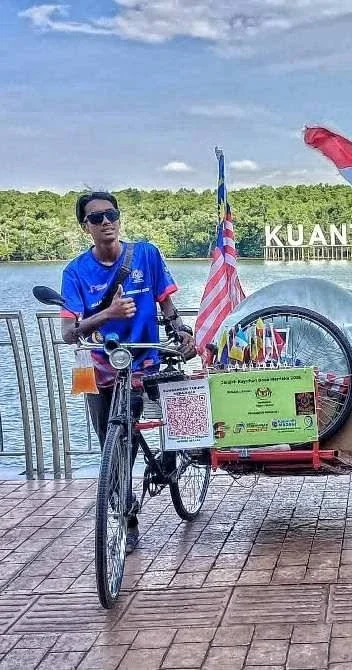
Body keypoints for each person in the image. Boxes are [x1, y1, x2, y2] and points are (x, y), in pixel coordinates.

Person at [60, 191, 195, 554]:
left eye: (111, 214)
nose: (106, 222)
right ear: (85, 226)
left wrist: (181, 331)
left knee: (161, 421)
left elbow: (167, 305)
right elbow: (69, 332)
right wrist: (109, 314)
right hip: (100, 368)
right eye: (96, 218)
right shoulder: (75, 272)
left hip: (143, 362)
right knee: (112, 447)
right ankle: (127, 513)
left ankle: (174, 456)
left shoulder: (146, 254)